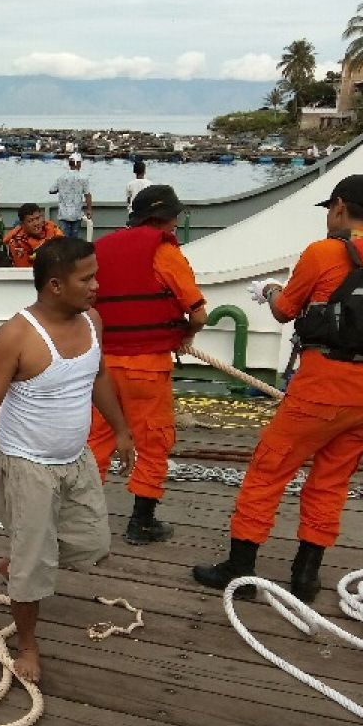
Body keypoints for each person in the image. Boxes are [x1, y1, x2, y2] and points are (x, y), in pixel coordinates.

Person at [193, 174, 363, 603]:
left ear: (341, 208)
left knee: (268, 472)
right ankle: (306, 576)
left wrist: (271, 290)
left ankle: (241, 568)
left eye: (331, 209)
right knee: (331, 482)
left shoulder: (323, 252)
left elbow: (285, 311)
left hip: (319, 393)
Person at [0, 236, 134, 683]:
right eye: (87, 278)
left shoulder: (93, 321)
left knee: (92, 544)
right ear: (55, 285)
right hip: (27, 467)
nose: (97, 286)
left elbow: (98, 376)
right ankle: (28, 643)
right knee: (34, 570)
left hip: (76, 462)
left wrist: (121, 430)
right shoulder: (16, 337)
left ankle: (21, 561)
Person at [87, 185, 207, 544]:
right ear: (166, 218)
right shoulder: (164, 251)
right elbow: (199, 313)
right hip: (147, 368)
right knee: (153, 441)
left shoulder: (99, 250)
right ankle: (141, 522)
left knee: (97, 439)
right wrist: (184, 333)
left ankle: (79, 516)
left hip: (102, 365)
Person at [4, 203, 64, 268]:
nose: (36, 223)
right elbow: (24, 270)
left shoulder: (51, 228)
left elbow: (64, 249)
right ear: (22, 224)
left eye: (38, 218)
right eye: (30, 221)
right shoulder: (17, 243)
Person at [49, 153, 92, 239]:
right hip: (76, 214)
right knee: (74, 239)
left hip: (63, 214)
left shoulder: (61, 177)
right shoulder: (83, 178)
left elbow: (51, 190)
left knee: (64, 239)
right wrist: (89, 210)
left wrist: (61, 189)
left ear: (69, 164)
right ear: (78, 164)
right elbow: (87, 195)